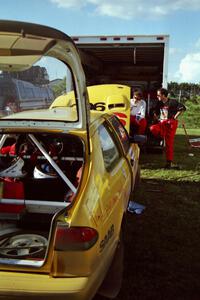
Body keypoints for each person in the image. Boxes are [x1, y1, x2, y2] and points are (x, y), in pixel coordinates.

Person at [150, 88, 186, 169]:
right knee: (152, 128)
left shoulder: (172, 102)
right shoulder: (159, 103)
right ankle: (162, 137)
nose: (157, 96)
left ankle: (169, 162)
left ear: (163, 95)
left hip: (170, 123)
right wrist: (155, 115)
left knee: (169, 144)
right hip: (162, 123)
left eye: (158, 95)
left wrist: (175, 117)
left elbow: (182, 107)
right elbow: (154, 111)